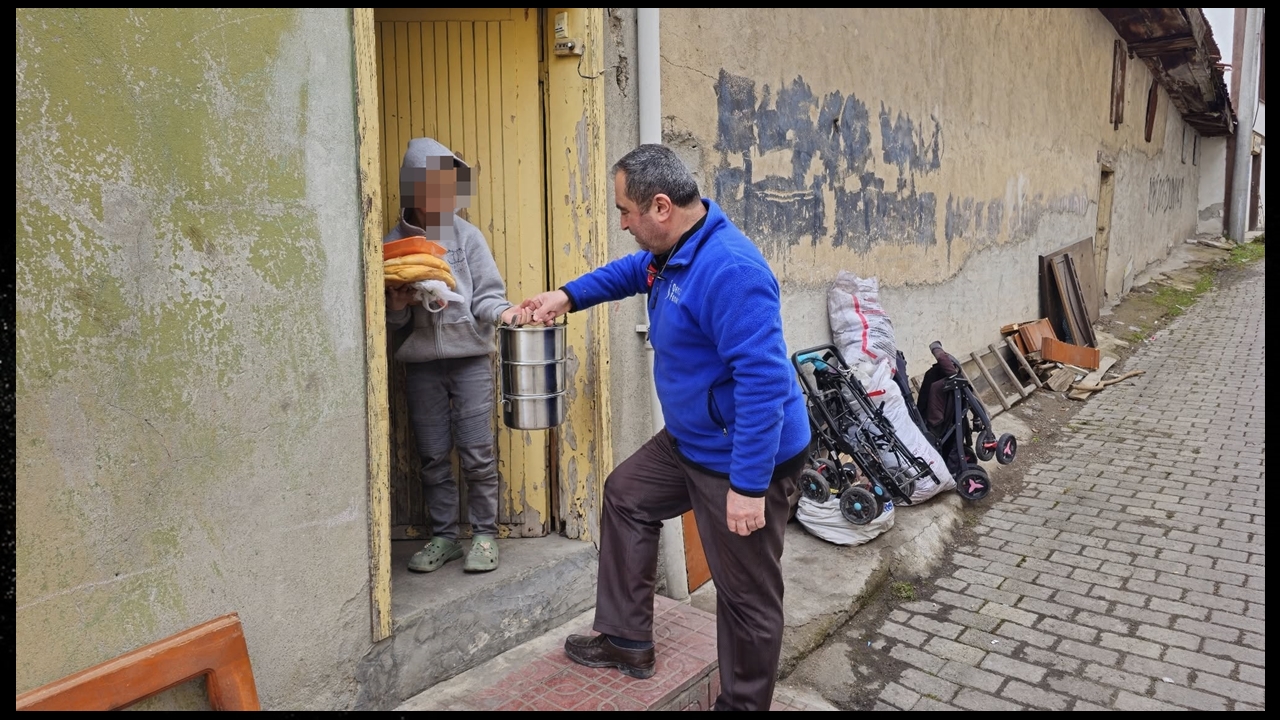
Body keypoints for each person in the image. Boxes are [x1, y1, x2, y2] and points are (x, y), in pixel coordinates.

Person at [517, 144, 812, 710]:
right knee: (627, 495)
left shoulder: (730, 270)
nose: (622, 222)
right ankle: (628, 639)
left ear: (659, 206)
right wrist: (566, 296)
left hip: (742, 456)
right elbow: (632, 272)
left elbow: (765, 385)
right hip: (692, 442)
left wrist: (749, 488)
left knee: (746, 598)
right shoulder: (673, 251)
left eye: (625, 211)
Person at [386, 137, 530, 574]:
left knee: (477, 452)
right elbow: (390, 327)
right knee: (432, 455)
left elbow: (487, 296)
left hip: (470, 360)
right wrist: (396, 309)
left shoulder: (467, 238)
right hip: (421, 367)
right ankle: (444, 537)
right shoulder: (394, 245)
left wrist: (504, 312)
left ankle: (484, 535)